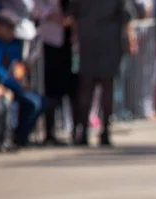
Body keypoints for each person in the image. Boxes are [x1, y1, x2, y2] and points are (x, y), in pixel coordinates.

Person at [69, 0, 137, 147]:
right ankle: (105, 132)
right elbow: (125, 14)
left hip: (87, 35)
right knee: (107, 87)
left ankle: (83, 132)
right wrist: (130, 38)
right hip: (109, 36)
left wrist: (77, 34)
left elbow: (73, 13)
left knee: (86, 87)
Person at [0, 9, 45, 147]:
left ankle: (20, 137)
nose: (12, 32)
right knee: (16, 102)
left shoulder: (14, 46)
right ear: (1, 27)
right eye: (9, 28)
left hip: (14, 85)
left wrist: (25, 71)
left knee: (38, 101)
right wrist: (17, 86)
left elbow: (16, 69)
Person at [34, 0, 78, 146]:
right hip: (50, 41)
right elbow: (35, 9)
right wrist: (51, 15)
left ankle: (76, 130)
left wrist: (73, 20)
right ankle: (49, 132)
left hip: (70, 43)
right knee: (52, 89)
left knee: (72, 87)